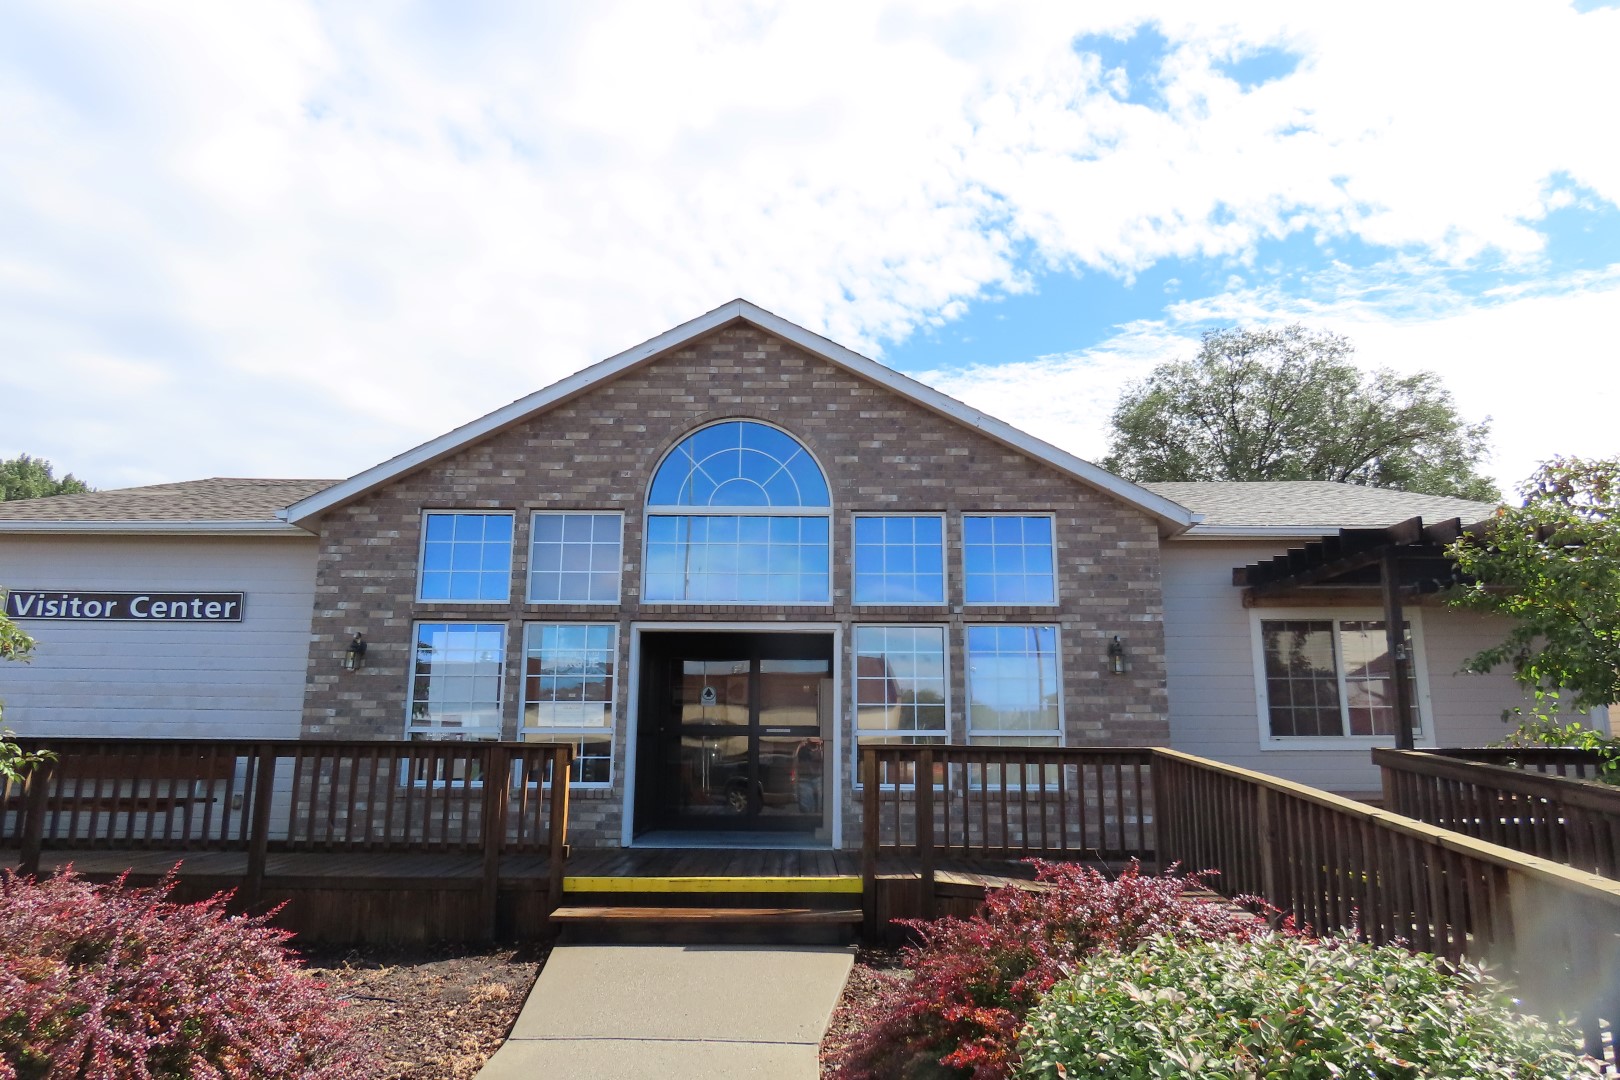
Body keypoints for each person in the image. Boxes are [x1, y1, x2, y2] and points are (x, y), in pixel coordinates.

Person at [793, 736, 824, 813]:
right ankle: (807, 819)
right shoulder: (802, 749)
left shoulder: (822, 750)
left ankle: (816, 817)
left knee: (820, 803)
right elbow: (796, 762)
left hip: (818, 778)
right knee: (806, 804)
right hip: (805, 779)